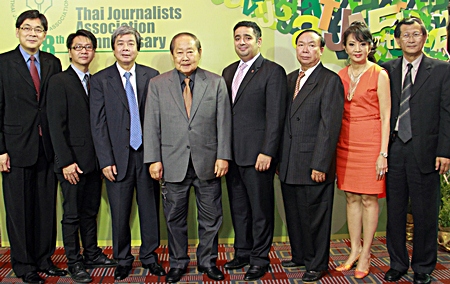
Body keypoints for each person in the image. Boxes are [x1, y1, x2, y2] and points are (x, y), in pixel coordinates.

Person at [144, 32, 232, 283]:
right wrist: (154, 159)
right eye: (179, 52)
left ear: (199, 53)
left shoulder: (215, 82)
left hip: (208, 162)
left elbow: (224, 123)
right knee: (174, 218)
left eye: (190, 51)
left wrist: (223, 156)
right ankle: (178, 263)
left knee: (211, 218)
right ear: (172, 55)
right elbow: (151, 124)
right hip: (172, 162)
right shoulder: (158, 84)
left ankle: (207, 262)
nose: (185, 57)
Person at [90, 25, 164, 281]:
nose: (125, 48)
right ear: (113, 48)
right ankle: (122, 259)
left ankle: (150, 256)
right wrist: (105, 160)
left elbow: (158, 120)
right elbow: (97, 124)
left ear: (138, 48)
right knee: (119, 212)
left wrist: (157, 156)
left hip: (147, 156)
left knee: (149, 209)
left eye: (130, 43)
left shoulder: (152, 76)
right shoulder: (100, 79)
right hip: (116, 159)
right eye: (120, 43)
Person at [381, 17, 450, 284]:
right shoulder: (386, 69)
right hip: (395, 149)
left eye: (416, 34)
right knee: (395, 212)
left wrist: (445, 151)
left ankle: (423, 266)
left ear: (424, 38)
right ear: (397, 40)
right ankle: (397, 263)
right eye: (405, 35)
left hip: (428, 151)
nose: (411, 39)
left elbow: (447, 114)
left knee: (425, 213)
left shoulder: (442, 70)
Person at [0, 10, 65, 283]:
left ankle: (43, 258)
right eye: (27, 28)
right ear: (17, 31)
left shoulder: (53, 62)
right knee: (19, 209)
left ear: (45, 35)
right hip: (15, 148)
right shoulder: (3, 63)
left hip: (46, 146)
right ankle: (24, 264)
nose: (32, 34)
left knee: (45, 206)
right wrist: (0, 149)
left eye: (38, 30)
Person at [47, 29, 116, 283]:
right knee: (72, 215)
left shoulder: (96, 81)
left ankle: (92, 254)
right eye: (78, 47)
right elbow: (55, 125)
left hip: (94, 161)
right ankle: (74, 262)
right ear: (69, 52)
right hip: (71, 163)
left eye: (88, 47)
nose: (84, 51)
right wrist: (65, 162)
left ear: (94, 52)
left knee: (90, 211)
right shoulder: (59, 81)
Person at [222, 21, 288, 281]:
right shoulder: (228, 72)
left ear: (258, 41)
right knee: (239, 209)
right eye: (237, 37)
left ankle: (260, 259)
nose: (241, 42)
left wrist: (268, 151)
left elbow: (275, 116)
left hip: (259, 156)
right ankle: (243, 252)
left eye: (247, 37)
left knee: (260, 210)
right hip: (233, 155)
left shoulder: (272, 71)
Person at [278, 30, 344, 282]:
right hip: (288, 161)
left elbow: (330, 126)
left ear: (321, 50)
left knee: (315, 216)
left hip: (313, 163)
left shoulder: (330, 80)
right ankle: (300, 255)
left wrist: (321, 164)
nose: (305, 49)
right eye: (301, 45)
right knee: (294, 213)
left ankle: (317, 264)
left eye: (311, 45)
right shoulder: (289, 78)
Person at [335, 21, 391, 279]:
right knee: (351, 197)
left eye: (363, 43)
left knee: (369, 198)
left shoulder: (380, 74)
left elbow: (386, 116)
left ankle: (367, 253)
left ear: (370, 46)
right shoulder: (340, 75)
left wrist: (383, 153)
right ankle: (354, 249)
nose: (358, 48)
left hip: (371, 144)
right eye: (352, 44)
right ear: (345, 47)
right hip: (345, 142)